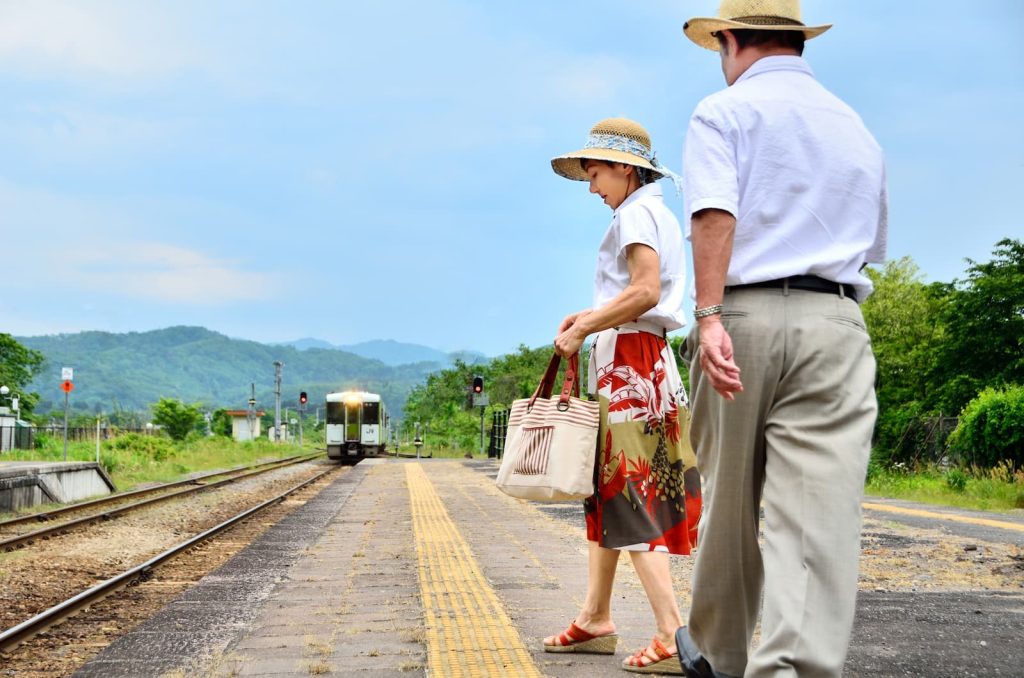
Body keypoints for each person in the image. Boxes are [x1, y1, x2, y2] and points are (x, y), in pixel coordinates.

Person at [672, 2, 888, 677]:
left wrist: (707, 315)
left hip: (739, 317)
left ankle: (716, 658)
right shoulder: (855, 127)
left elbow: (713, 213)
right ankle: (791, 670)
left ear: (730, 40)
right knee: (815, 518)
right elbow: (871, 244)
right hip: (835, 321)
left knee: (729, 504)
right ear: (798, 41)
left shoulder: (722, 110)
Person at [543, 117, 702, 674]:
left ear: (626, 168)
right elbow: (637, 296)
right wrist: (589, 316)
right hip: (646, 358)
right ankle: (595, 616)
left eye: (596, 173)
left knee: (629, 491)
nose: (591, 187)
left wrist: (584, 329)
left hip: (630, 362)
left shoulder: (635, 212)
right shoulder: (654, 210)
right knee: (610, 489)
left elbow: (643, 289)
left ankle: (671, 632)